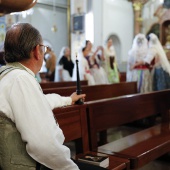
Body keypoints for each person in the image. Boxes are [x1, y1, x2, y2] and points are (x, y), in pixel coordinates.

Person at [0, 23, 85, 169]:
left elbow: (40, 102)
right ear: (36, 52)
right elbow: (44, 145)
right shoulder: (20, 79)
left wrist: (69, 99)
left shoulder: (8, 75)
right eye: (43, 48)